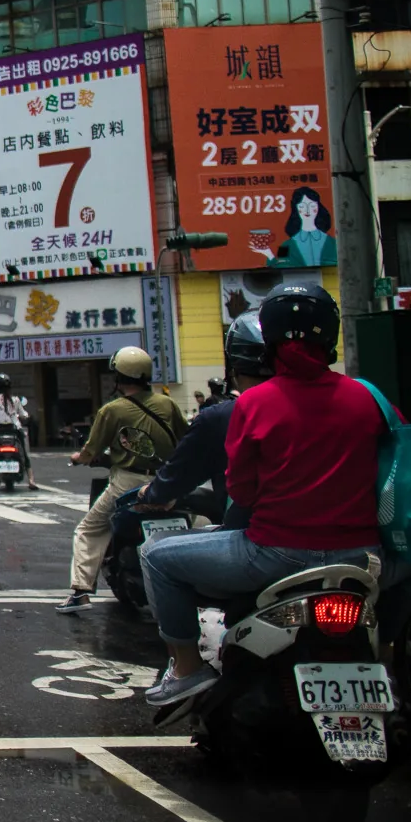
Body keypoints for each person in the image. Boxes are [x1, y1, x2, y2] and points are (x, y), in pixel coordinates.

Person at [138, 285, 385, 706]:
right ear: (331, 336)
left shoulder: (255, 404)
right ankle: (391, 660)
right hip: (363, 557)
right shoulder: (369, 397)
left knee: (157, 556)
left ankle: (185, 668)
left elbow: (242, 491)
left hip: (275, 554)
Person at [56, 345, 185, 613]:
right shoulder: (167, 403)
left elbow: (91, 451)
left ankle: (80, 592)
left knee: (88, 530)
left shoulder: (112, 411)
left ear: (119, 376)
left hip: (127, 484)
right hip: (166, 482)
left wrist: (78, 457)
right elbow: (185, 438)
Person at [132, 311, 270, 529]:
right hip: (333, 540)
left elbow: (179, 473)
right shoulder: (335, 400)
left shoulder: (222, 416)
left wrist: (154, 493)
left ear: (234, 370)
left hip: (261, 542)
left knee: (155, 553)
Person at [0, 373, 39, 491]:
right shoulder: (15, 400)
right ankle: (31, 479)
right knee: (25, 453)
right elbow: (23, 415)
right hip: (15, 430)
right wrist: (27, 417)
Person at [256, 187, 338, 268]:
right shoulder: (285, 245)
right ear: (296, 208)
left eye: (312, 205)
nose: (307, 210)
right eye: (302, 206)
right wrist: (270, 255)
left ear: (318, 207)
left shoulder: (333, 242)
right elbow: (280, 267)